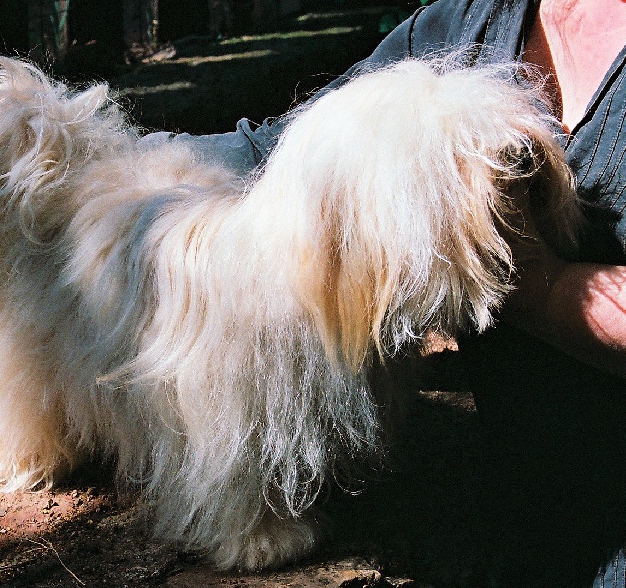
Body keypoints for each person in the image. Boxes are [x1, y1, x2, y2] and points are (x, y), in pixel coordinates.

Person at [149, 0, 626, 585]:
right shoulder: (470, 21)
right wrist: (109, 166)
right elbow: (279, 147)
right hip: (505, 488)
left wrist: (541, 286)